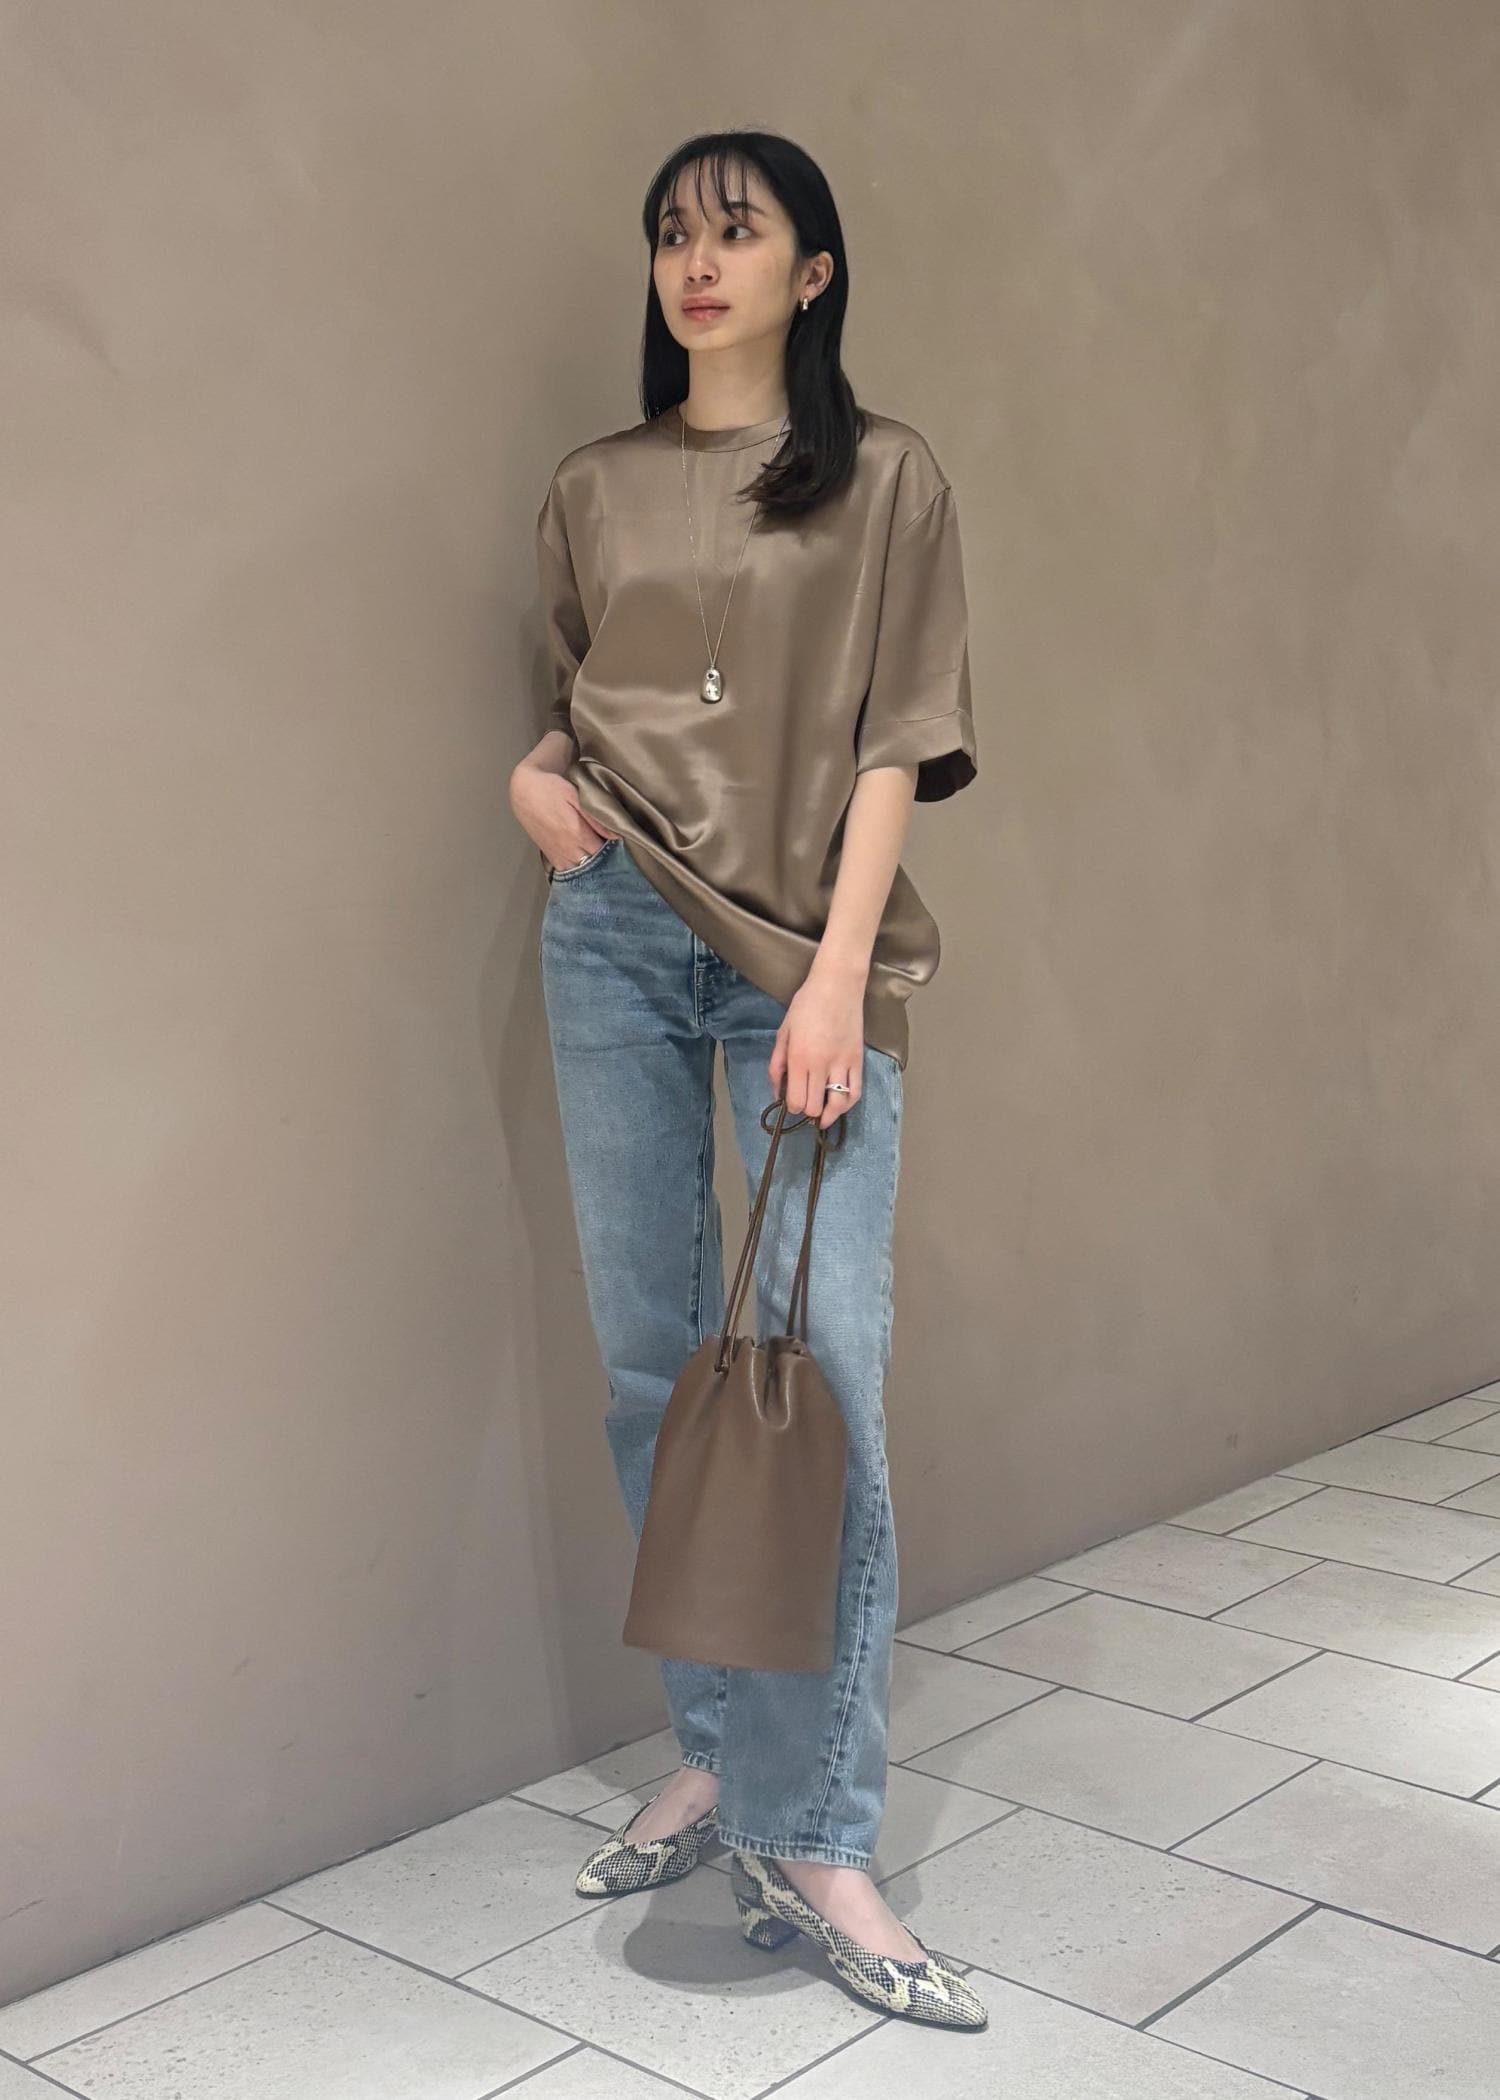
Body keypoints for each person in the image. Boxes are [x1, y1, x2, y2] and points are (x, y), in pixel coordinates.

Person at [509, 130, 985, 2032]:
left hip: (806, 958)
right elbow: (579, 703)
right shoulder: (593, 484)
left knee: (819, 1385)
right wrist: (534, 781)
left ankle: (817, 1831)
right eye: (671, 236)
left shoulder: (887, 477)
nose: (696, 262)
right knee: (655, 1364)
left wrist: (838, 976)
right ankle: (716, 1753)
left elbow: (896, 736)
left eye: (736, 230)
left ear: (814, 269)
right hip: (612, 933)